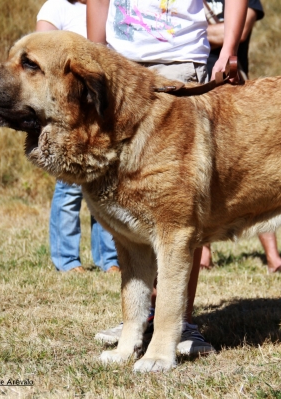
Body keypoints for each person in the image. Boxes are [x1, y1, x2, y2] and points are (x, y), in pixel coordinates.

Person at [87, 0, 247, 356]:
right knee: (125, 198)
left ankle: (181, 322)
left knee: (177, 208)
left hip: (178, 65)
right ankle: (140, 319)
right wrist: (93, 60)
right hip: (118, 64)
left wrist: (230, 49)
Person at [202, 0, 281, 274]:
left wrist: (197, 32)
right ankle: (203, 256)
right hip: (196, 82)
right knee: (201, 169)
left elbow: (240, 30)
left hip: (233, 85)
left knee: (254, 167)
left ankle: (273, 257)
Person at [36, 0, 120, 274]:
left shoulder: (113, 4)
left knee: (105, 187)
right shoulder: (55, 8)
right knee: (68, 191)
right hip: (68, 115)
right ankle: (67, 260)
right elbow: (40, 56)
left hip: (100, 111)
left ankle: (109, 259)